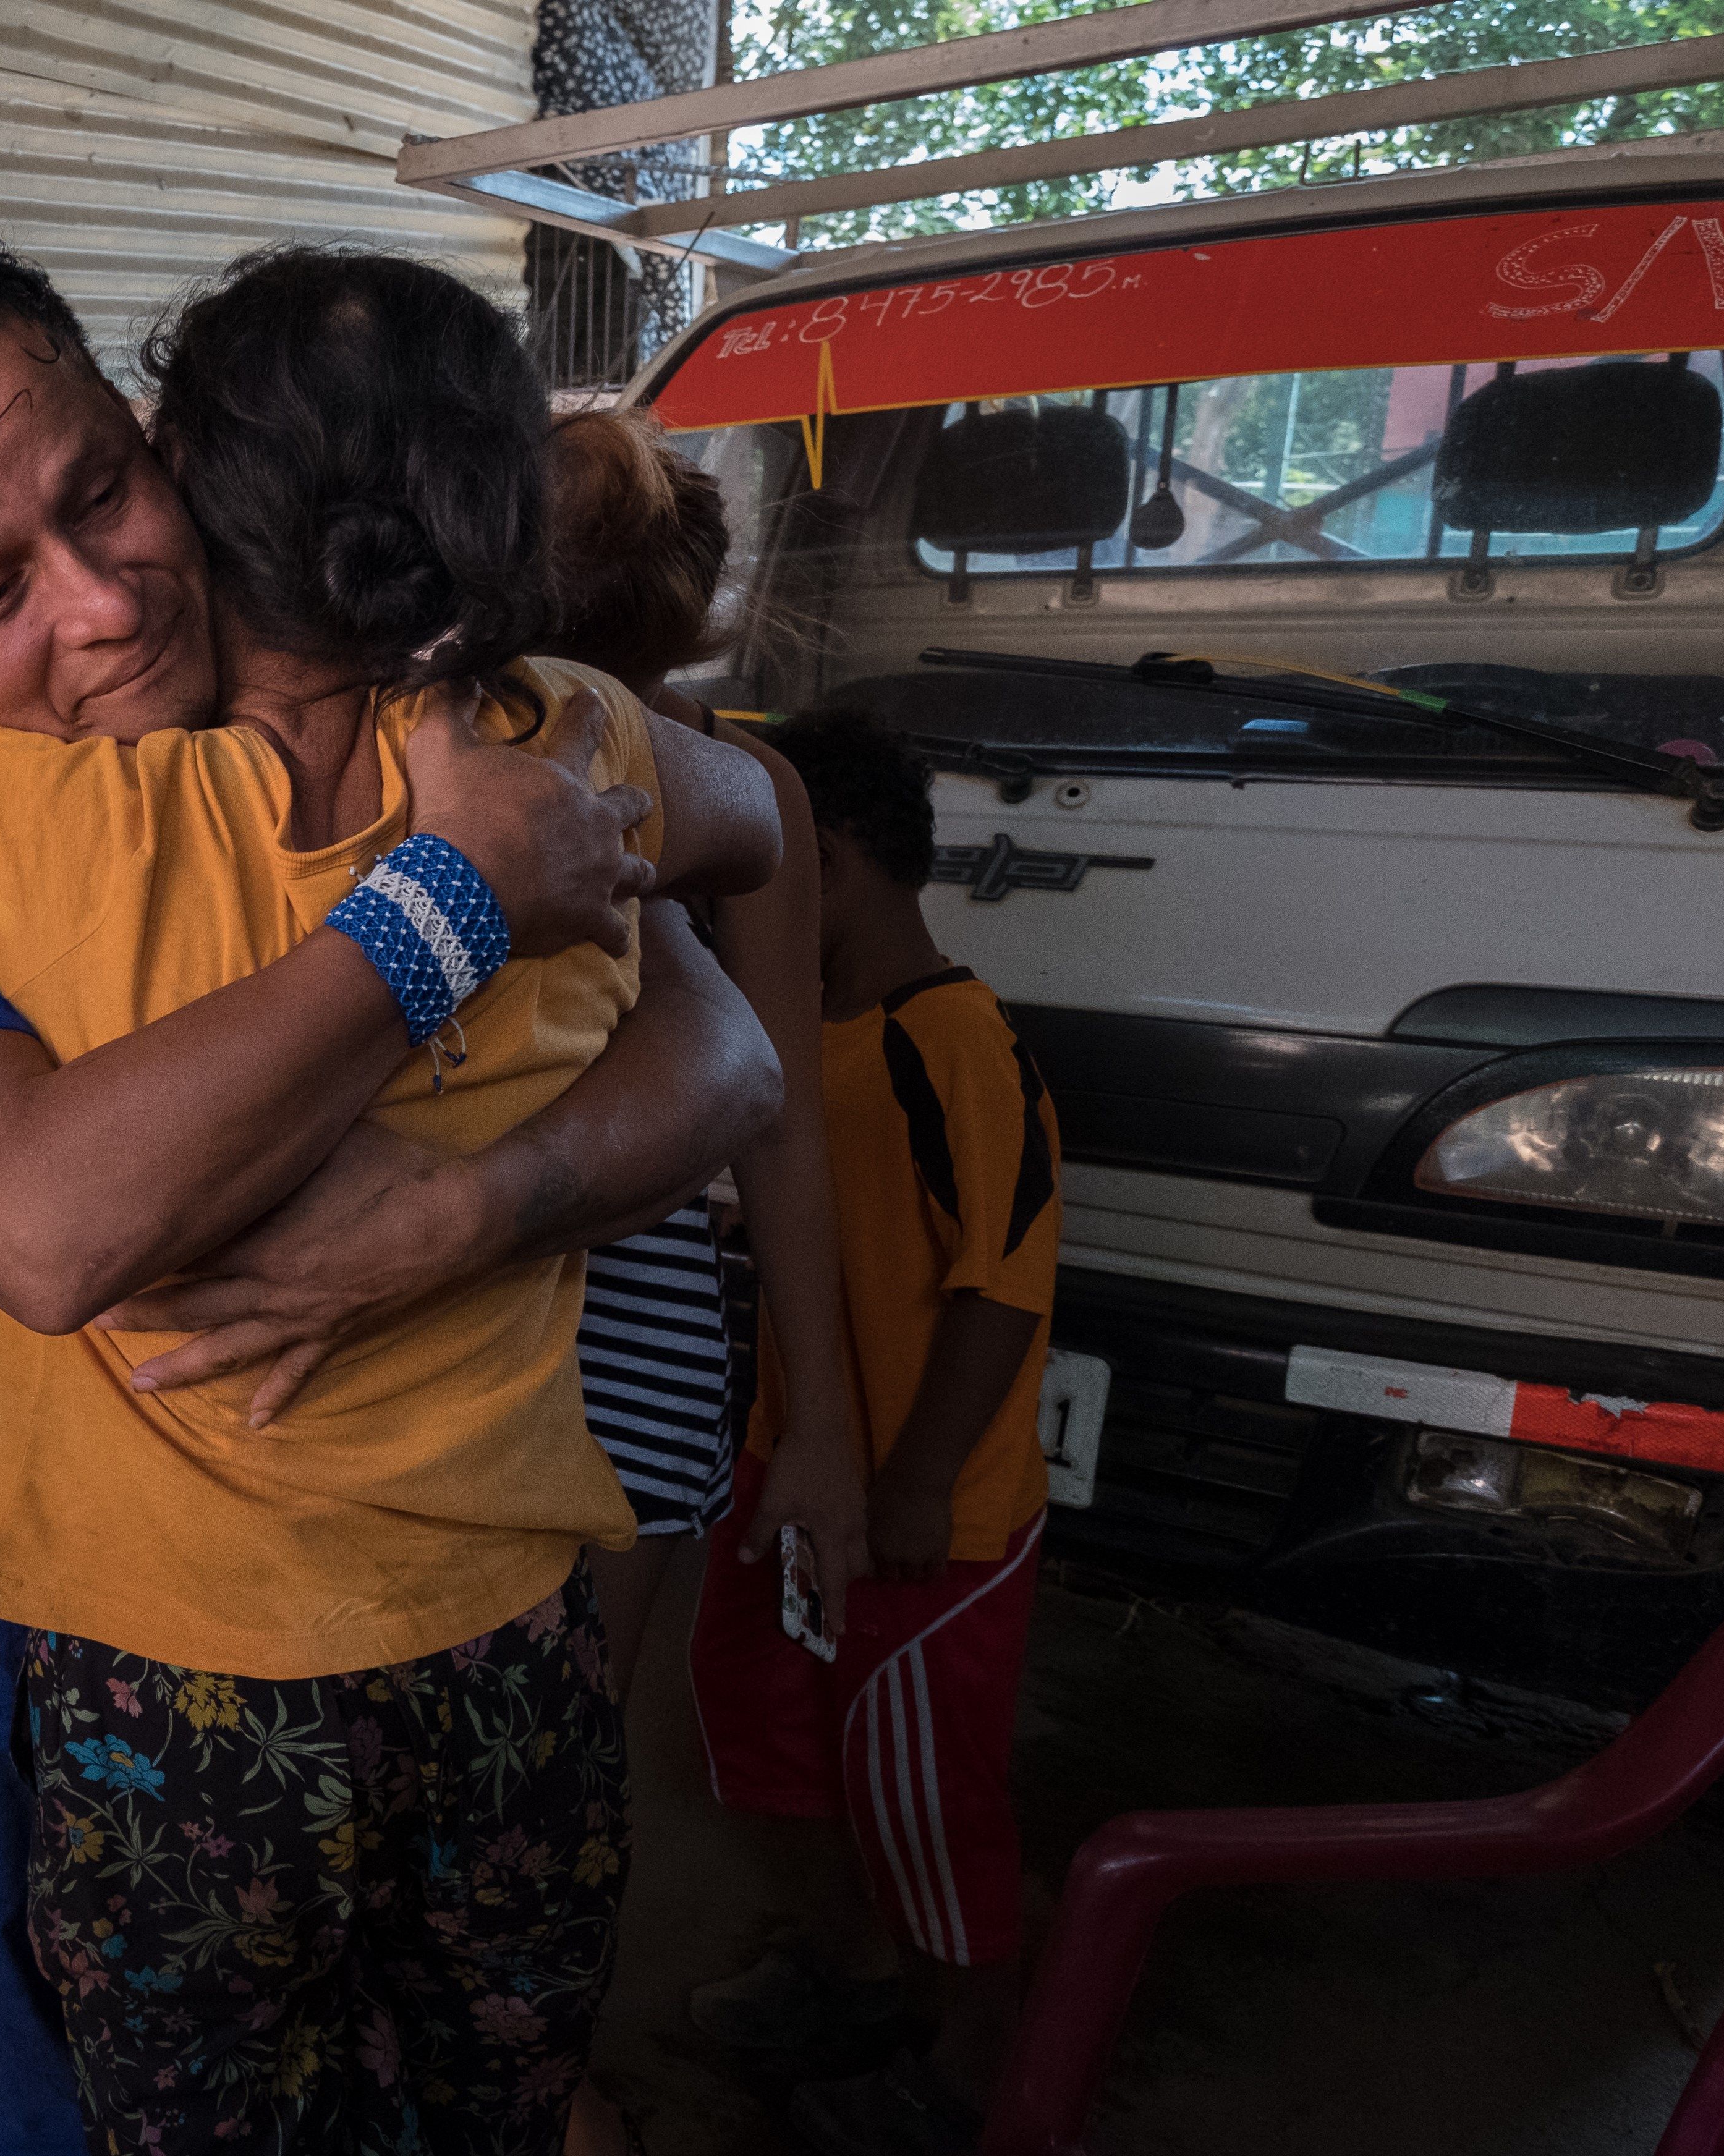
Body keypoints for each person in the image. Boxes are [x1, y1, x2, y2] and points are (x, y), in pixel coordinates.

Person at [0, 231, 789, 2154]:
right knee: (75, 2087)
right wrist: (445, 908)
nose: (110, 601)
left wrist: (470, 1208)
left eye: (106, 488)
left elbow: (731, 1045)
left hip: (440, 1575)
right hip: (17, 1557)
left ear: (155, 428)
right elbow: (48, 1234)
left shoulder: (432, 721)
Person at [526, 411, 877, 2156]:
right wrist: (812, 1417)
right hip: (565, 1329)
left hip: (601, 1328)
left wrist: (817, 1422)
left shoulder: (731, 793)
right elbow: (791, 1134)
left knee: (530, 1749)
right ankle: (536, 2073)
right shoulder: (725, 777)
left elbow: (785, 1123)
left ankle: (536, 2077)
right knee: (547, 1748)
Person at [679, 711, 1063, 2156]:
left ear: (819, 864)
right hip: (802, 1479)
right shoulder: (816, 1041)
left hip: (929, 1517)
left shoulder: (952, 1040)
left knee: (927, 1793)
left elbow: (1002, 1283)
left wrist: (917, 1476)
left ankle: (978, 2067)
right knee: (802, 1744)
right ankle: (848, 1972)